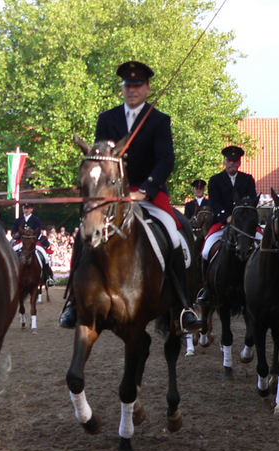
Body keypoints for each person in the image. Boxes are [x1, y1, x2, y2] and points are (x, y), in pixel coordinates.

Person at [59, 60, 202, 334]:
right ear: (122, 88)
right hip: (113, 195)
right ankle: (74, 302)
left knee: (173, 234)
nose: (132, 90)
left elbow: (165, 160)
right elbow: (101, 158)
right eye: (127, 85)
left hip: (148, 193)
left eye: (137, 85)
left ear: (147, 89)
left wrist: (145, 189)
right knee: (84, 232)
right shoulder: (107, 119)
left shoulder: (159, 120)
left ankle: (183, 306)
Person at [196, 145, 258, 303]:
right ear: (224, 162)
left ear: (239, 163)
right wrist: (227, 217)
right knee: (206, 250)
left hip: (244, 225)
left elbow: (251, 201)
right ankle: (207, 288)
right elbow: (214, 203)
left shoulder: (248, 179)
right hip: (222, 223)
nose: (232, 164)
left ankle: (265, 283)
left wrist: (242, 217)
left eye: (235, 161)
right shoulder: (215, 180)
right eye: (229, 161)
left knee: (264, 244)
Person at [12, 203, 55, 286]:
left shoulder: (36, 219)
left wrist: (32, 238)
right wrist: (15, 235)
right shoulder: (18, 220)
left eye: (28, 208)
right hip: (21, 241)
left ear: (31, 209)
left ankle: (48, 277)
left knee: (45, 257)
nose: (26, 210)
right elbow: (14, 230)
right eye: (25, 208)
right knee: (11, 253)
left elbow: (38, 231)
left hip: (33, 241)